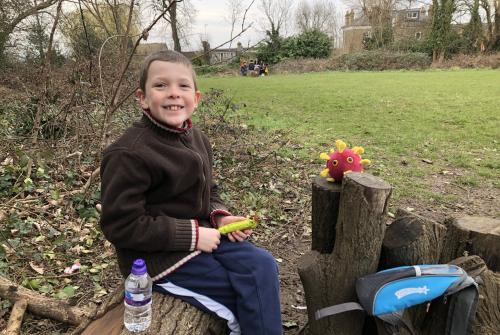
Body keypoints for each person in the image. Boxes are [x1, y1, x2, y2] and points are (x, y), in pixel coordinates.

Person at [100, 50, 283, 335]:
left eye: (183, 86)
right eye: (161, 86)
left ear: (195, 99)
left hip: (207, 236)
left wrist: (219, 216)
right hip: (159, 259)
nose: (173, 93)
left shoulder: (196, 138)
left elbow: (209, 189)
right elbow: (121, 226)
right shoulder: (128, 154)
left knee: (262, 266)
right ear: (142, 98)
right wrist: (194, 235)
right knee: (242, 297)